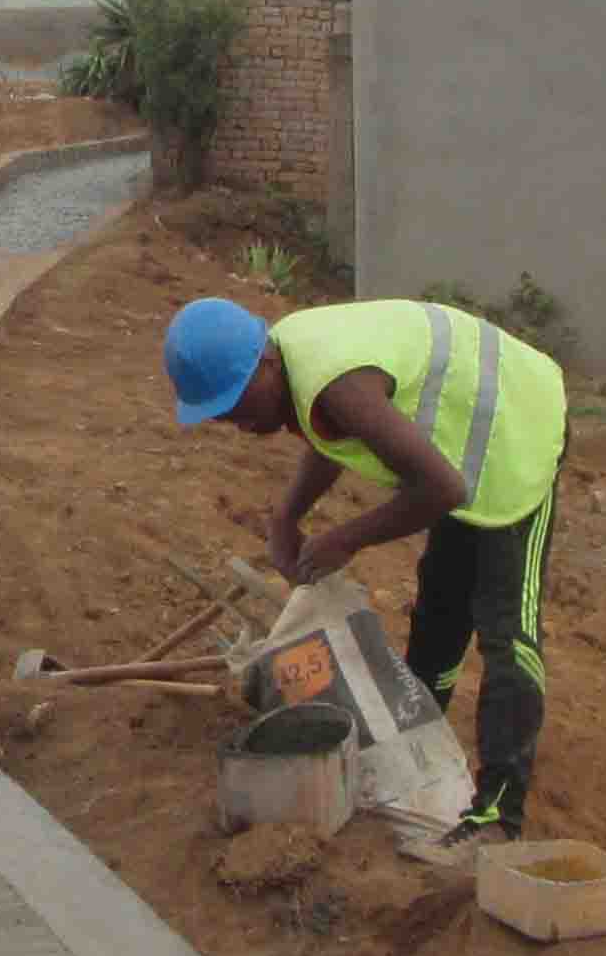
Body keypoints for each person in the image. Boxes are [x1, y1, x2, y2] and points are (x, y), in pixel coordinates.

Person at [163, 291, 568, 850]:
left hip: (516, 436)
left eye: (236, 401)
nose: (235, 421)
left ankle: (500, 816)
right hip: (460, 450)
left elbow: (441, 488)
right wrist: (287, 516)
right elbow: (334, 439)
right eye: (220, 414)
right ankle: (421, 748)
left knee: (507, 636)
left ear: (266, 364)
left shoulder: (336, 381)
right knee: (439, 612)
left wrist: (344, 539)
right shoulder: (294, 362)